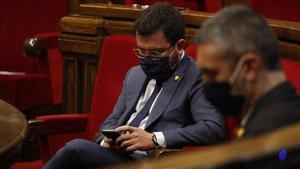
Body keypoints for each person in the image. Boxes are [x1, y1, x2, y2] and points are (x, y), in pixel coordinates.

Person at [44, 3, 224, 169]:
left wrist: (153, 139)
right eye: (141, 51)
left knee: (75, 149)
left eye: (155, 52)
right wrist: (109, 139)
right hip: (116, 155)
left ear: (179, 46)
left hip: (151, 161)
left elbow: (213, 128)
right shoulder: (135, 74)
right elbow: (111, 121)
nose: (146, 59)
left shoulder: (197, 76)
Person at [196, 5, 300, 139]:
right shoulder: (288, 108)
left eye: (212, 74)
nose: (205, 83)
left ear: (250, 67)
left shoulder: (263, 136)